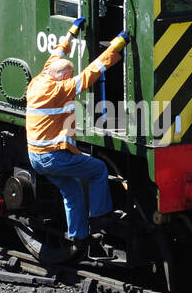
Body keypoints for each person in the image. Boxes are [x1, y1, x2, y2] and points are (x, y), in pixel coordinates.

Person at [26, 16, 127, 246]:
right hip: (53, 156)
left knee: (72, 192)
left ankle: (79, 237)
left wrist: (71, 32)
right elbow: (92, 72)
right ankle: (101, 217)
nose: (71, 79)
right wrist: (116, 47)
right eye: (68, 76)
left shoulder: (40, 79)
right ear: (63, 78)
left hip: (36, 156)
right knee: (98, 170)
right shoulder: (61, 89)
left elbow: (58, 53)